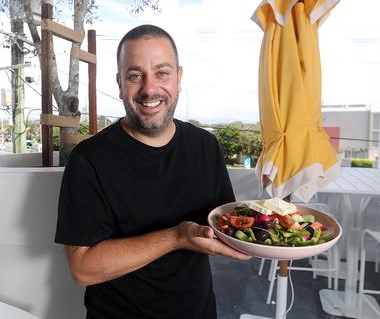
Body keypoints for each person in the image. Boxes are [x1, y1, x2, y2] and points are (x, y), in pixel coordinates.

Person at [55, 24, 250, 319]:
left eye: (162, 73)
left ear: (179, 78)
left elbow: (224, 225)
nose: (149, 89)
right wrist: (176, 237)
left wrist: (277, 227)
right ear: (120, 82)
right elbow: (82, 268)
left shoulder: (205, 146)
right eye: (135, 75)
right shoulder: (89, 160)